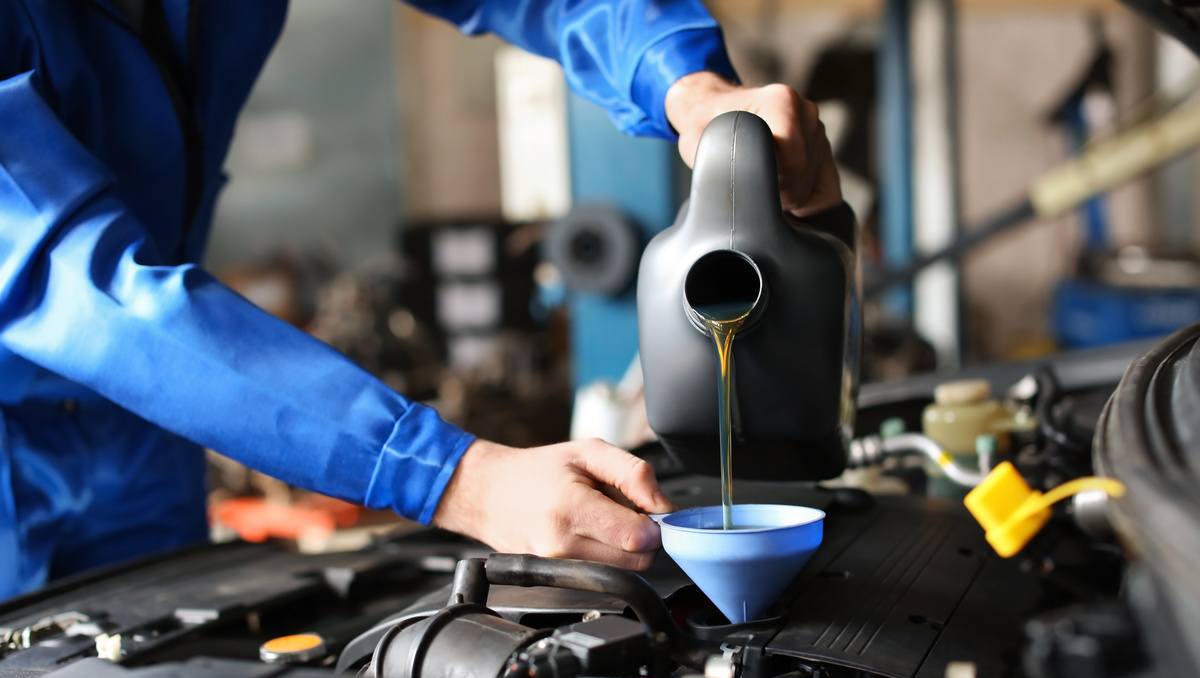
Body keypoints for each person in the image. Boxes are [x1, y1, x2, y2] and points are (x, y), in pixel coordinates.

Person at [0, 0, 841, 600]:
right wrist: (455, 477)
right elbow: (81, 287)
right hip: (33, 427)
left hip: (149, 430)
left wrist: (684, 83)